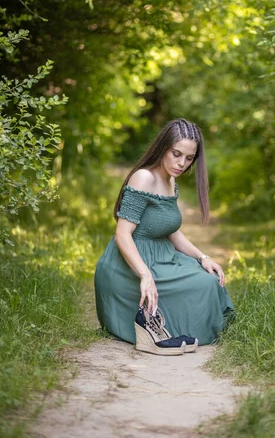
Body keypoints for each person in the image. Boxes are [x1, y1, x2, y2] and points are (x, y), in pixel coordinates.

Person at [94, 118, 234, 346]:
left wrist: (203, 257)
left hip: (161, 256)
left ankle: (208, 328)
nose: (182, 163)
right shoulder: (144, 177)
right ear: (163, 148)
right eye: (176, 154)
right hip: (131, 263)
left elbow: (171, 231)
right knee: (203, 286)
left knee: (210, 277)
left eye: (189, 158)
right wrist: (145, 275)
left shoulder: (170, 180)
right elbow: (122, 234)